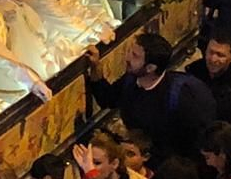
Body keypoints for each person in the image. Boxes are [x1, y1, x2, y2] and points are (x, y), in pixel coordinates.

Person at [88, 32, 217, 164]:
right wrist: (95, 66)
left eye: (135, 56)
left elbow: (199, 140)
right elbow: (107, 98)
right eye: (130, 52)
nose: (127, 58)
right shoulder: (131, 81)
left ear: (150, 68)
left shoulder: (182, 96)